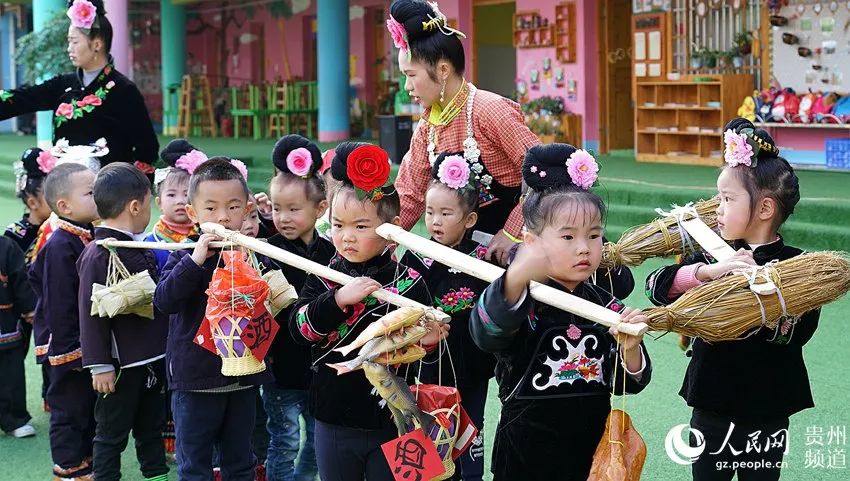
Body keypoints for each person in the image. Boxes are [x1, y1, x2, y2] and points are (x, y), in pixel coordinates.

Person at [645, 118, 816, 481]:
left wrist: (760, 288)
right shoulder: (710, 256)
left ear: (765, 209)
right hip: (712, 400)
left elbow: (795, 333)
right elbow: (655, 288)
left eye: (727, 199)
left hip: (769, 406)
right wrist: (708, 274)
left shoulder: (798, 267)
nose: (717, 209)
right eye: (718, 198)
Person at [469, 144, 652, 480]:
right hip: (524, 455)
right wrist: (517, 277)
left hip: (589, 454)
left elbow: (627, 384)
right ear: (532, 241)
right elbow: (486, 333)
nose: (584, 247)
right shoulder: (521, 300)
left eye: (594, 236)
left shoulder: (606, 306)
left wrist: (630, 348)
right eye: (568, 236)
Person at [290, 142, 447, 480]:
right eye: (338, 225)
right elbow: (300, 329)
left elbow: (426, 361)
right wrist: (337, 300)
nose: (346, 237)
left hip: (396, 420)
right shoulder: (323, 275)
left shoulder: (409, 281)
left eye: (360, 227)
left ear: (392, 228)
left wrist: (431, 341)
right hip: (334, 418)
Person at [388, 0, 540, 266]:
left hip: (516, 244)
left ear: (443, 70)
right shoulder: (426, 128)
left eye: (411, 75)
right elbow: (409, 196)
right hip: (461, 242)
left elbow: (542, 174)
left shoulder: (490, 110)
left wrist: (512, 233)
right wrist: (382, 240)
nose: (407, 86)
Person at [153, 158, 271, 481]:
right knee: (194, 467)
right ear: (193, 213)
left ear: (247, 209)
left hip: (243, 381)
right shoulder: (185, 255)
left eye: (233, 207)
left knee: (240, 463)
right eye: (211, 209)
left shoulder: (251, 254)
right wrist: (195, 260)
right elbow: (164, 300)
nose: (223, 217)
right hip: (195, 383)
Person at [399, 151, 494, 481]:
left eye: (445, 213)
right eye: (429, 212)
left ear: (469, 219)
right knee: (422, 439)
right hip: (423, 366)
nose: (434, 220)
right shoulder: (414, 255)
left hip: (472, 367)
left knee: (469, 435)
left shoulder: (483, 260)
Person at [77, 163, 168, 481]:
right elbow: (89, 316)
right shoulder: (98, 253)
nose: (150, 212)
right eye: (149, 204)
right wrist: (99, 364)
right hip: (120, 368)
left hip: (153, 360)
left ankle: (158, 477)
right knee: (111, 437)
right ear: (135, 206)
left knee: (151, 431)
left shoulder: (139, 244)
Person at [0, 0, 159, 172]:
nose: (69, 49)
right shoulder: (62, 85)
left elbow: (147, 147)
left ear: (97, 44)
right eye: (69, 42)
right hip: (66, 187)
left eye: (74, 42)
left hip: (107, 191)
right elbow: (23, 98)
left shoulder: (124, 90)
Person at [263, 134, 333, 481]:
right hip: (280, 370)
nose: (283, 217)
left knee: (318, 441)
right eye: (276, 209)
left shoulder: (331, 253)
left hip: (319, 368)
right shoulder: (265, 249)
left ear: (320, 209)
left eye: (293, 209)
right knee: (284, 441)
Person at [28, 162, 99, 480]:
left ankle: (85, 460)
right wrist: (72, 349)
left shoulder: (89, 235)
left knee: (88, 407)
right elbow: (59, 304)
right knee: (68, 409)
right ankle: (69, 468)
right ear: (64, 205)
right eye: (91, 192)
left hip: (85, 341)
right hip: (66, 343)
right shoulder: (59, 245)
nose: (99, 197)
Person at [5, 147, 53, 411]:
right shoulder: (15, 234)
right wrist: (24, 306)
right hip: (19, 306)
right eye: (50, 195)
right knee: (13, 355)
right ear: (33, 202)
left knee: (50, 349)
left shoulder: (59, 229)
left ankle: (51, 396)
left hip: (49, 304)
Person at [144, 139, 201, 272]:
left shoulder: (205, 238)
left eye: (186, 194)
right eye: (171, 195)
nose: (180, 201)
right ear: (159, 203)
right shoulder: (149, 243)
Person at [0, 235, 37, 439]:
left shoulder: (6, 246)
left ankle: (13, 418)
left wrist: (29, 308)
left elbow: (20, 279)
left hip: (5, 321)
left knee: (10, 373)